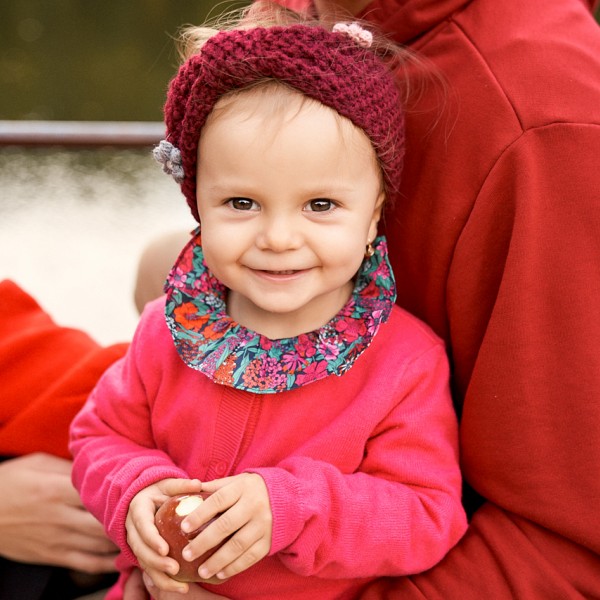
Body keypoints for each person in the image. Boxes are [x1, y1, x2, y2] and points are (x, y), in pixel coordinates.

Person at [68, 6, 468, 600]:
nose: (278, 237)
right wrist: (133, 491)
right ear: (197, 199)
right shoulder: (166, 332)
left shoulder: (404, 363)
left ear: (374, 213)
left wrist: (292, 507)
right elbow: (98, 438)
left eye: (321, 205)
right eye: (241, 203)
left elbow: (427, 514)